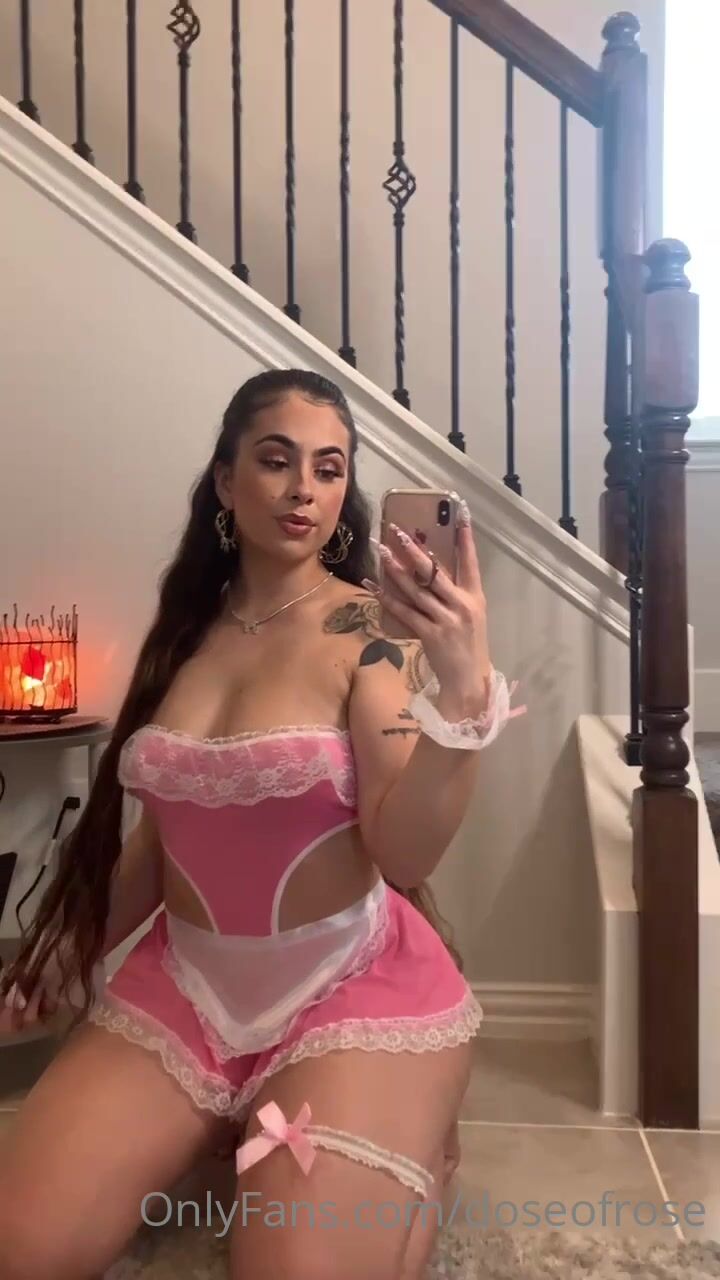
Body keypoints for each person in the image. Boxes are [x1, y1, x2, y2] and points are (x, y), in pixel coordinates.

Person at [0, 369, 520, 1280]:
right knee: (18, 1245)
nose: (302, 489)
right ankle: (237, 1115)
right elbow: (162, 840)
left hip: (349, 990)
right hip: (186, 989)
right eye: (277, 461)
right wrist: (72, 948)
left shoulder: (370, 630)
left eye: (329, 468)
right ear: (225, 479)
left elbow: (403, 852)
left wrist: (465, 692)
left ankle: (401, 1134)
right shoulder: (183, 633)